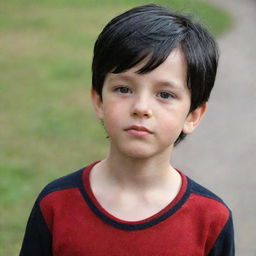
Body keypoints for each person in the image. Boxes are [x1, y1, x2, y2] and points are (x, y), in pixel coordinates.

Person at [19, 4, 235, 256]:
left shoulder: (210, 219)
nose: (141, 107)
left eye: (164, 94)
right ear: (99, 101)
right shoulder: (55, 204)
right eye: (123, 89)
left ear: (193, 115)